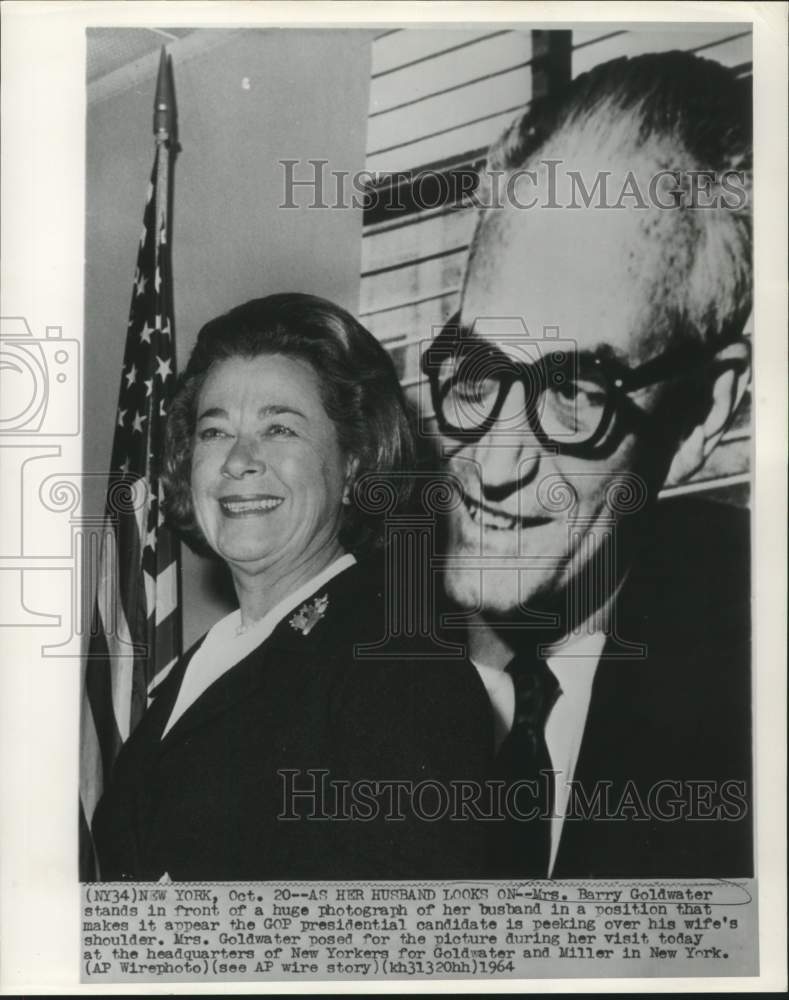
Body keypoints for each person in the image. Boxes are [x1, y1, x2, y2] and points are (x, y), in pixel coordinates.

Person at [422, 51, 753, 877]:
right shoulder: (332, 670)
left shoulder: (749, 703)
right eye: (475, 367)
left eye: (573, 391)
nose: (491, 465)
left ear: (702, 414)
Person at [92, 292, 492, 881]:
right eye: (213, 432)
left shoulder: (399, 668)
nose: (238, 461)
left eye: (279, 428)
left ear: (356, 462)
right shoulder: (204, 663)